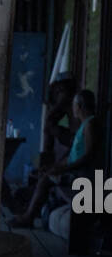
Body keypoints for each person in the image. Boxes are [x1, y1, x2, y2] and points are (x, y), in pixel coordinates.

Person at [11, 89, 101, 228]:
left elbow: (88, 156)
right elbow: (73, 155)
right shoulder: (84, 125)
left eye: (74, 105)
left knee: (46, 180)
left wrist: (63, 169)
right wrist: (56, 167)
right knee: (44, 173)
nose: (73, 108)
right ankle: (30, 212)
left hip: (81, 175)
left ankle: (28, 217)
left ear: (80, 106)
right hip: (73, 170)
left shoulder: (90, 124)